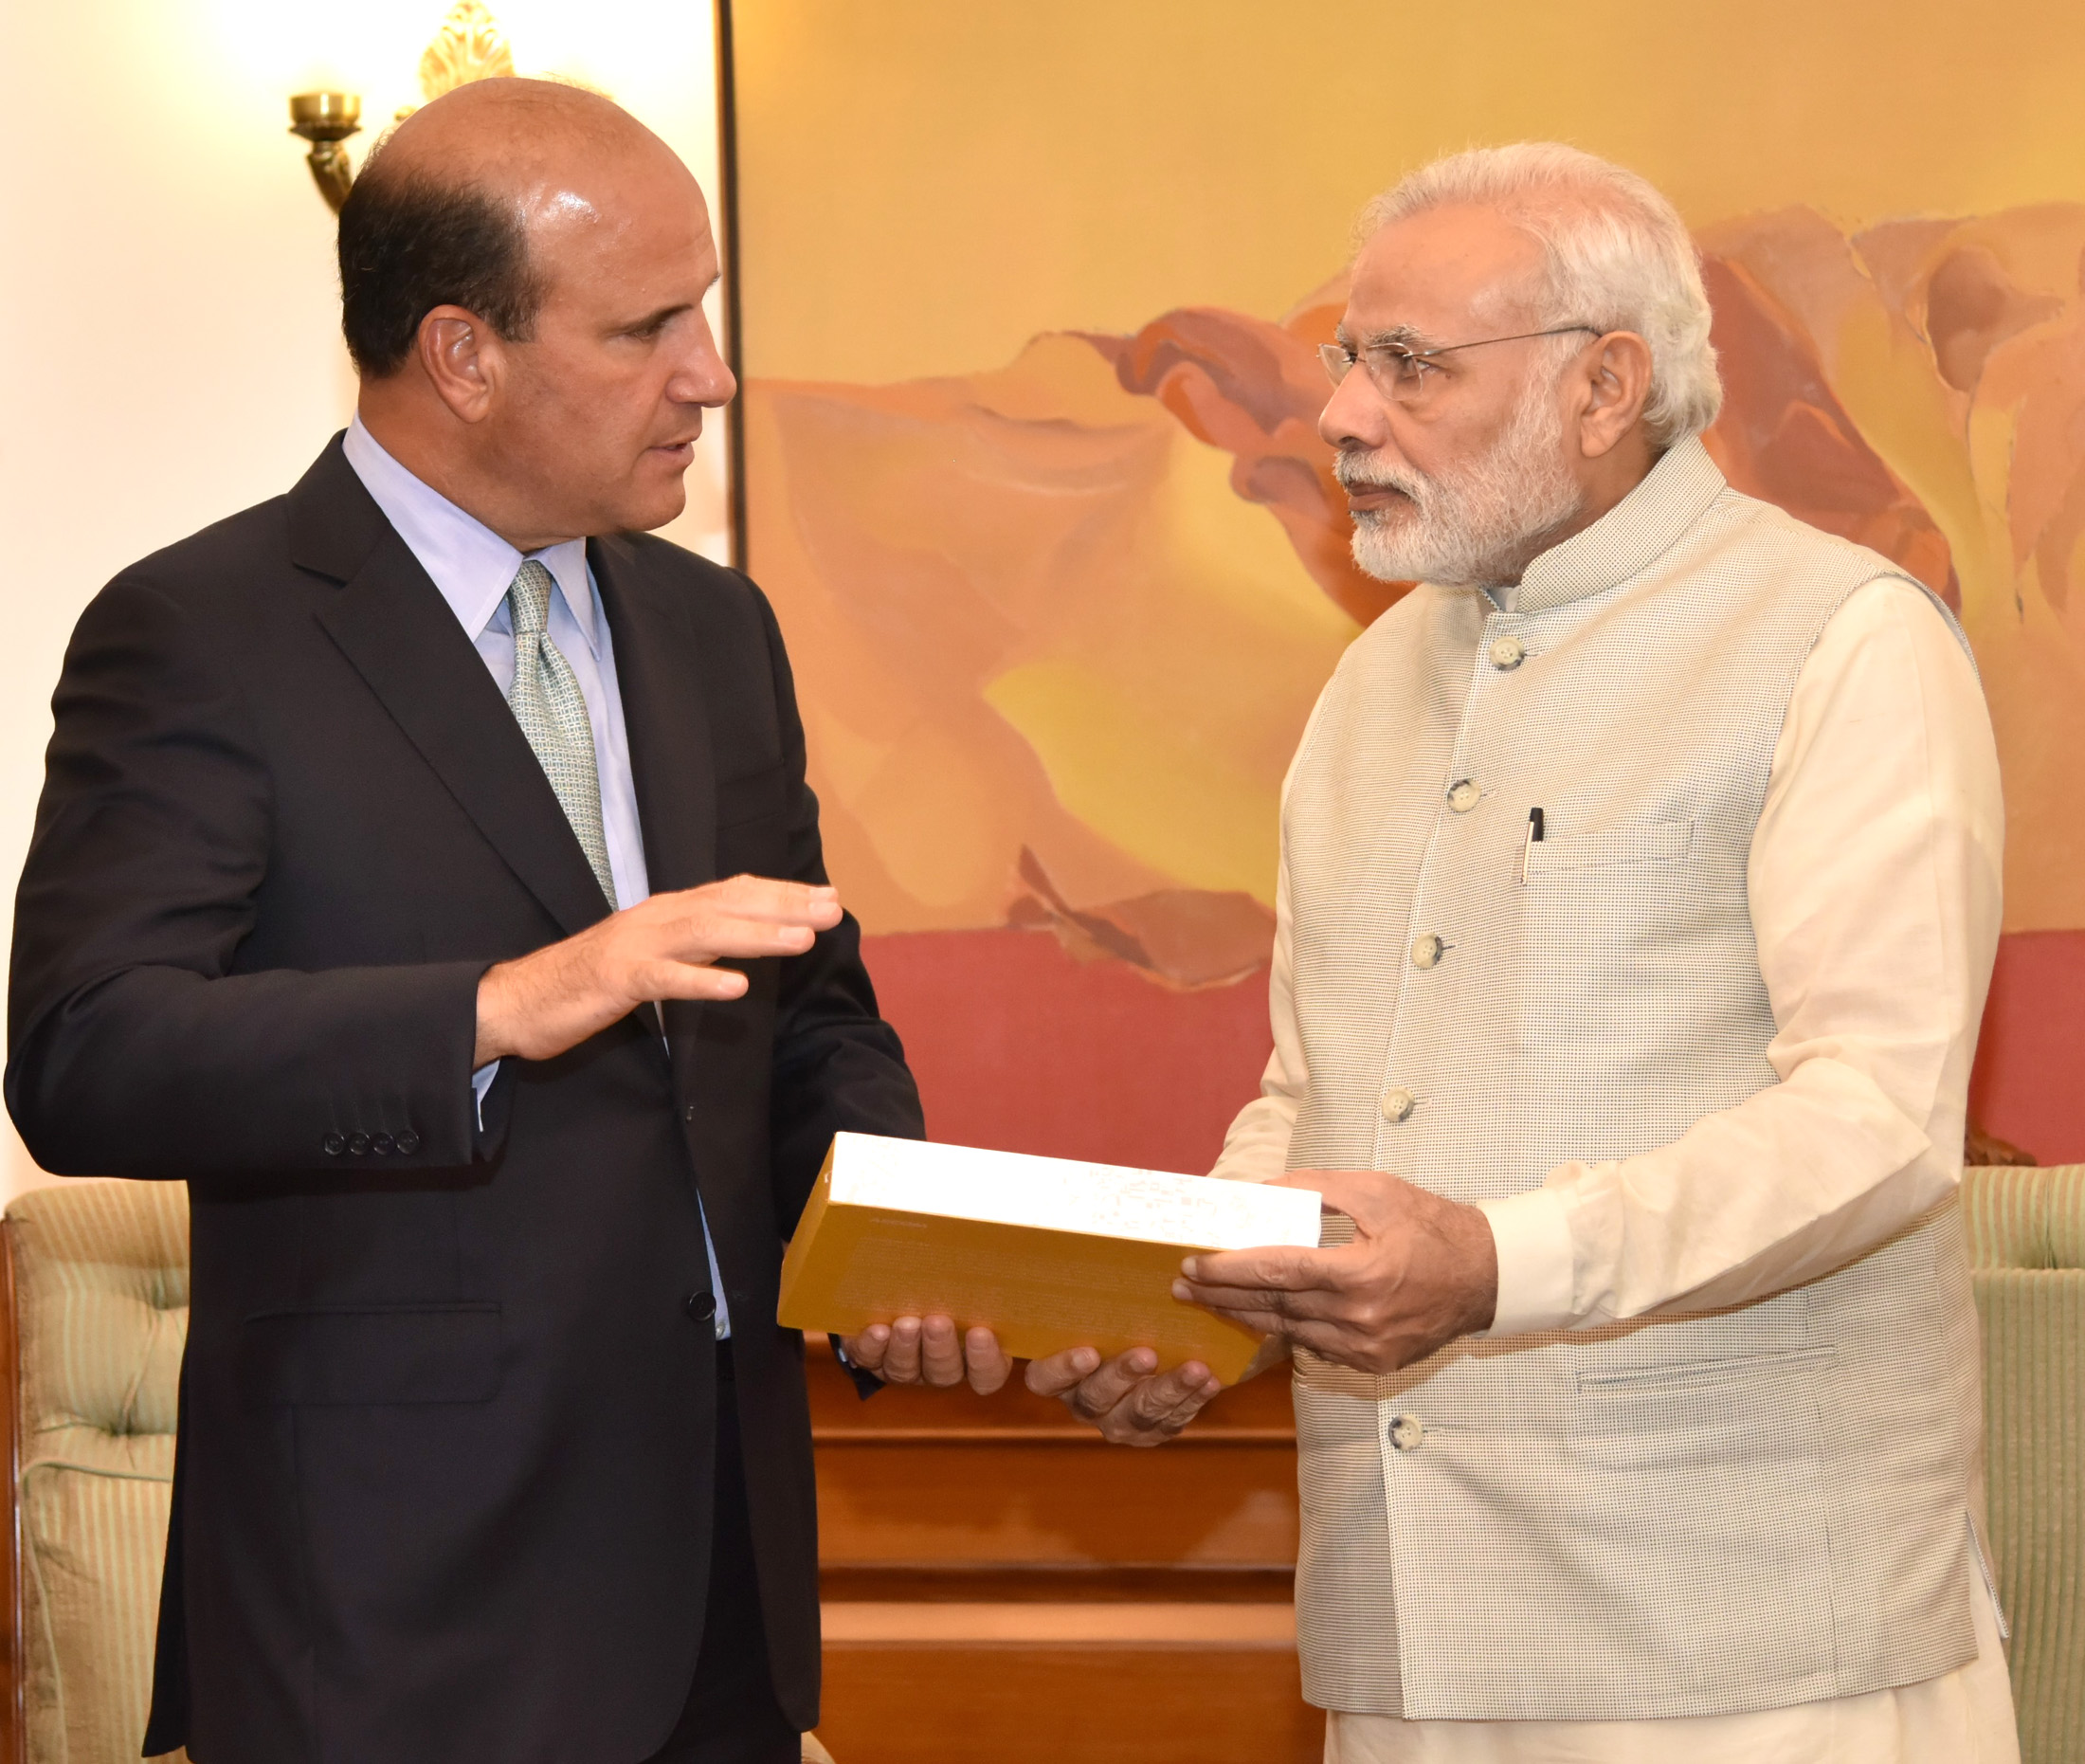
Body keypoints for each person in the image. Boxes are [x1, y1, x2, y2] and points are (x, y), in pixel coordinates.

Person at [1037, 143, 2022, 1762]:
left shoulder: (1845, 638)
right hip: (1410, 1637)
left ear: (1606, 384)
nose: (1343, 414)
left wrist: (1498, 1261)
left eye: (1408, 367)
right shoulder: (1360, 695)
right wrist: (1205, 1320)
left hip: (1752, 1651)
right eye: (1351, 361)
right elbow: (1315, 1099)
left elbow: (1879, 1125)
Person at [6, 79, 926, 1764]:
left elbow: (812, 1012)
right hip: (389, 1607)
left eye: (702, 312)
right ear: (462, 353)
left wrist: (896, 1238)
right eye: (650, 325)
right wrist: (498, 1006)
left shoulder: (718, 630)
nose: (709, 371)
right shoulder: (202, 631)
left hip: (724, 1589)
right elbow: (85, 1052)